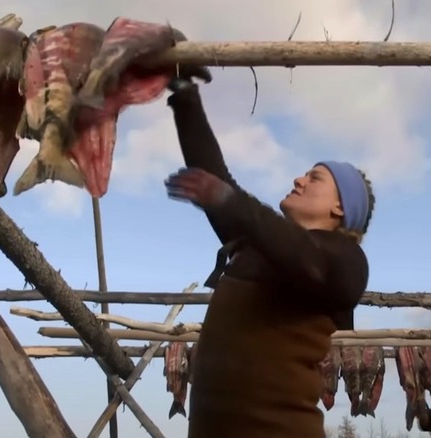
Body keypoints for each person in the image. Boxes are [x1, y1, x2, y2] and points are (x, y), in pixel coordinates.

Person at [161, 51, 376, 437]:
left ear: (341, 206)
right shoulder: (255, 242)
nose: (298, 180)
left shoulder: (347, 260)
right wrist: (182, 90)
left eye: (314, 178)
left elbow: (305, 259)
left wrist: (228, 200)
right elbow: (215, 177)